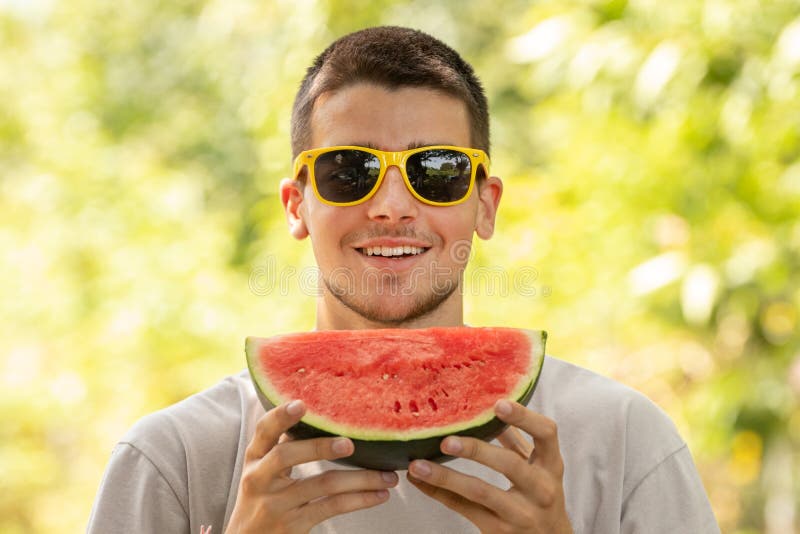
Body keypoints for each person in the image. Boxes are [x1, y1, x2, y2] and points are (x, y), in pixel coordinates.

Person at [86, 26, 720, 533]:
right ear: (296, 206)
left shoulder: (626, 442)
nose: (391, 205)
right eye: (348, 170)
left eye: (436, 170)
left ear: (486, 204)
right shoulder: (173, 461)